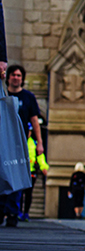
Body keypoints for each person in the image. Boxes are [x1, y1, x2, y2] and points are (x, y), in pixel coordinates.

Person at [5, 65, 43, 221]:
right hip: (3, 142)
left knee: (17, 179)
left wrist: (39, 142)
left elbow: (35, 120)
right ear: (8, 77)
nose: (16, 78)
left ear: (23, 79)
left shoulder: (28, 97)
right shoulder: (3, 94)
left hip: (20, 144)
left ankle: (13, 211)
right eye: (13, 75)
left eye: (19, 75)